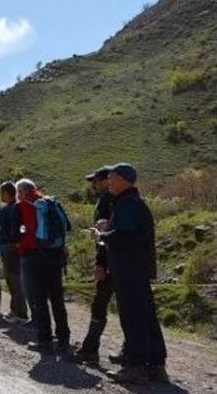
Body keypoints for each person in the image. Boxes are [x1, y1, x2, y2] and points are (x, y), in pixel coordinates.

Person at [91, 163, 167, 384]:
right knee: (147, 317)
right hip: (138, 270)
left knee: (133, 318)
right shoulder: (134, 203)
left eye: (112, 179)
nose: (109, 183)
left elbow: (123, 237)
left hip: (128, 270)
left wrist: (102, 235)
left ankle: (135, 367)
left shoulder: (126, 205)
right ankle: (156, 365)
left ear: (123, 180)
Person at [75, 166, 123, 365]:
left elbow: (103, 236)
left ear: (105, 181)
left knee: (100, 305)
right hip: (121, 262)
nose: (92, 185)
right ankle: (128, 351)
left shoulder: (106, 201)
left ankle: (90, 349)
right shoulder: (115, 200)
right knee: (124, 307)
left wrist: (100, 264)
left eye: (95, 180)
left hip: (111, 262)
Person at [16, 179, 71, 353]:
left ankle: (45, 339)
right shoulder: (49, 202)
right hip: (55, 254)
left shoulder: (24, 205)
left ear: (23, 191)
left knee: (40, 300)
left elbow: (20, 232)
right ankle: (63, 339)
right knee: (56, 299)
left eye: (18, 192)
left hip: (34, 256)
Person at [0, 182, 29, 323]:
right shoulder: (19, 208)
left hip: (9, 247)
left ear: (6, 193)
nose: (0, 196)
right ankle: (14, 310)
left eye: (1, 193)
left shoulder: (7, 210)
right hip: (16, 246)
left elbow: (7, 230)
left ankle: (21, 313)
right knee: (13, 280)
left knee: (13, 280)